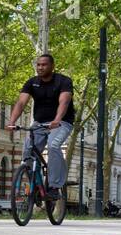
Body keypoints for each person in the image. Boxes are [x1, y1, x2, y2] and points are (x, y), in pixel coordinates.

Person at [6, 53, 74, 199]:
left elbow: (64, 102)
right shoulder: (32, 82)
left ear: (52, 66)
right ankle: (35, 183)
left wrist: (57, 119)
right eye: (38, 65)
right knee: (27, 151)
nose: (40, 67)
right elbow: (21, 103)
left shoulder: (63, 81)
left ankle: (55, 186)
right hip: (39, 123)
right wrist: (11, 122)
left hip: (61, 122)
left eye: (44, 65)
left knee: (53, 146)